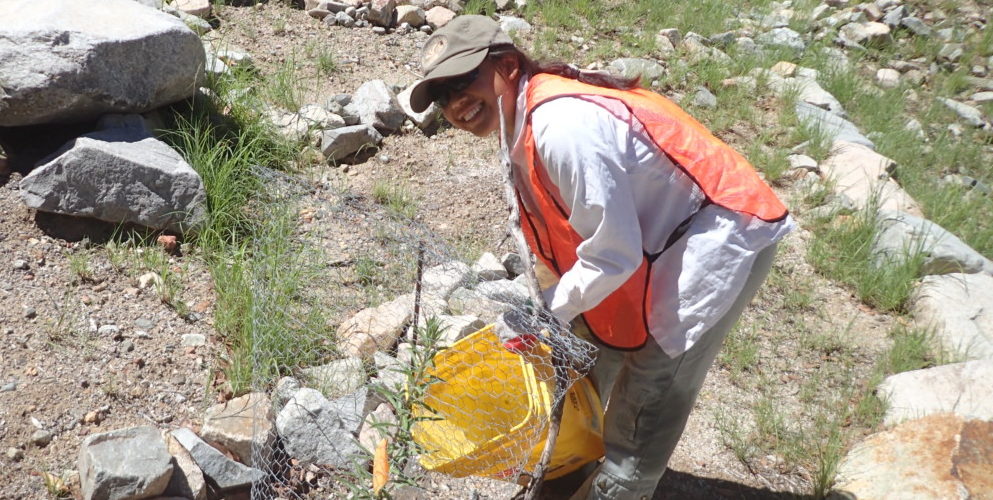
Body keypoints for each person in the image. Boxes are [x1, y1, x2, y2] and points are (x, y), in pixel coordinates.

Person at [409, 15, 794, 500]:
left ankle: (619, 483)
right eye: (442, 96)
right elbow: (586, 239)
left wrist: (548, 311)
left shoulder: (561, 127)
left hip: (717, 239)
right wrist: (556, 311)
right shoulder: (519, 116)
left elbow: (614, 254)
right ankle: (571, 467)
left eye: (464, 81)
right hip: (649, 244)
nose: (455, 103)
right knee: (585, 351)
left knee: (646, 405)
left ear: (506, 64)